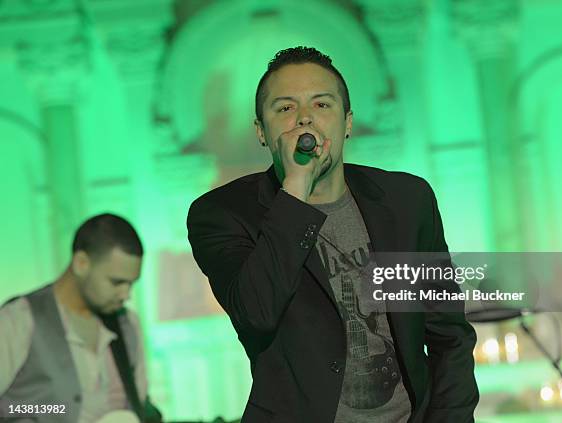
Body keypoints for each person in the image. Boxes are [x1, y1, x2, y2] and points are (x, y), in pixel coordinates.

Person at [187, 47, 479, 423]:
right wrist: (296, 189)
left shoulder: (407, 202)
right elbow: (256, 313)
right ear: (262, 131)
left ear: (347, 122)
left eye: (322, 105)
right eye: (285, 109)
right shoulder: (222, 215)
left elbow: (448, 334)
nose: (305, 120)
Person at [0, 213, 161, 423]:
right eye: (116, 282)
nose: (126, 294)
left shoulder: (128, 323)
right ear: (81, 263)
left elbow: (138, 404)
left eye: (131, 284)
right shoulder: (19, 319)